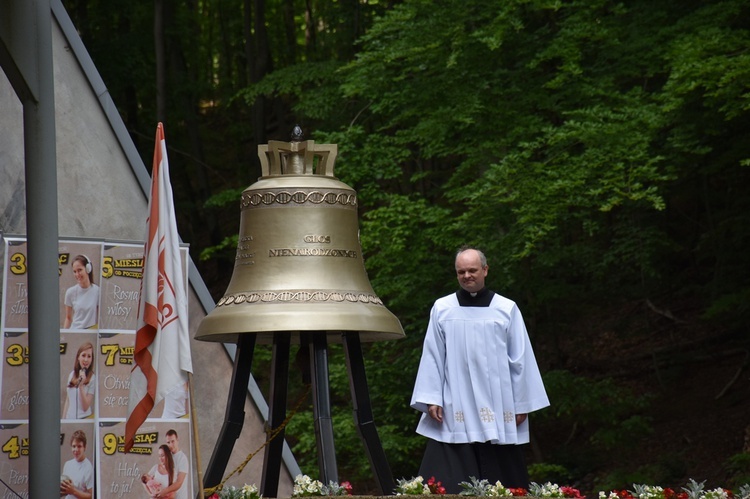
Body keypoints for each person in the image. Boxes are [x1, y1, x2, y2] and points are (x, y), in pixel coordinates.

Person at [410, 246, 550, 493]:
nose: (467, 276)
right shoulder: (443, 309)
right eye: (461, 271)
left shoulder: (506, 309)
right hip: (457, 399)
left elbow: (520, 359)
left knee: (503, 478)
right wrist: (431, 398)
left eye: (472, 270)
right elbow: (433, 355)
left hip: (498, 401)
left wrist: (522, 404)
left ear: (485, 270)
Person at [63, 254, 100, 329]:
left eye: (79, 270)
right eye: (74, 271)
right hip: (75, 332)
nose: (77, 274)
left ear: (88, 269)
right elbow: (68, 318)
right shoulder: (70, 292)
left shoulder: (97, 291)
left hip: (91, 333)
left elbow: (100, 317)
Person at [62, 342, 96, 419]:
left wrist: (81, 386)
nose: (86, 359)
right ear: (78, 357)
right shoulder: (71, 374)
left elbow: (85, 407)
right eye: (83, 355)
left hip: (84, 418)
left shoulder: (93, 378)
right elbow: (68, 400)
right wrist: (63, 420)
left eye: (89, 356)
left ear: (91, 359)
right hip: (69, 418)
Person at [151, 429, 188, 499]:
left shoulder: (182, 458)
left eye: (173, 441)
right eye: (168, 442)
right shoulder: (167, 456)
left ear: (177, 440)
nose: (170, 445)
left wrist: (164, 491)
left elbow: (179, 482)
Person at [60, 429, 94, 499]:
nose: (76, 450)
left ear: (84, 447)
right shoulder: (67, 464)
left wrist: (73, 491)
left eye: (79, 446)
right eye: (74, 446)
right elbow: (64, 489)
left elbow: (91, 496)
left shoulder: (88, 468)